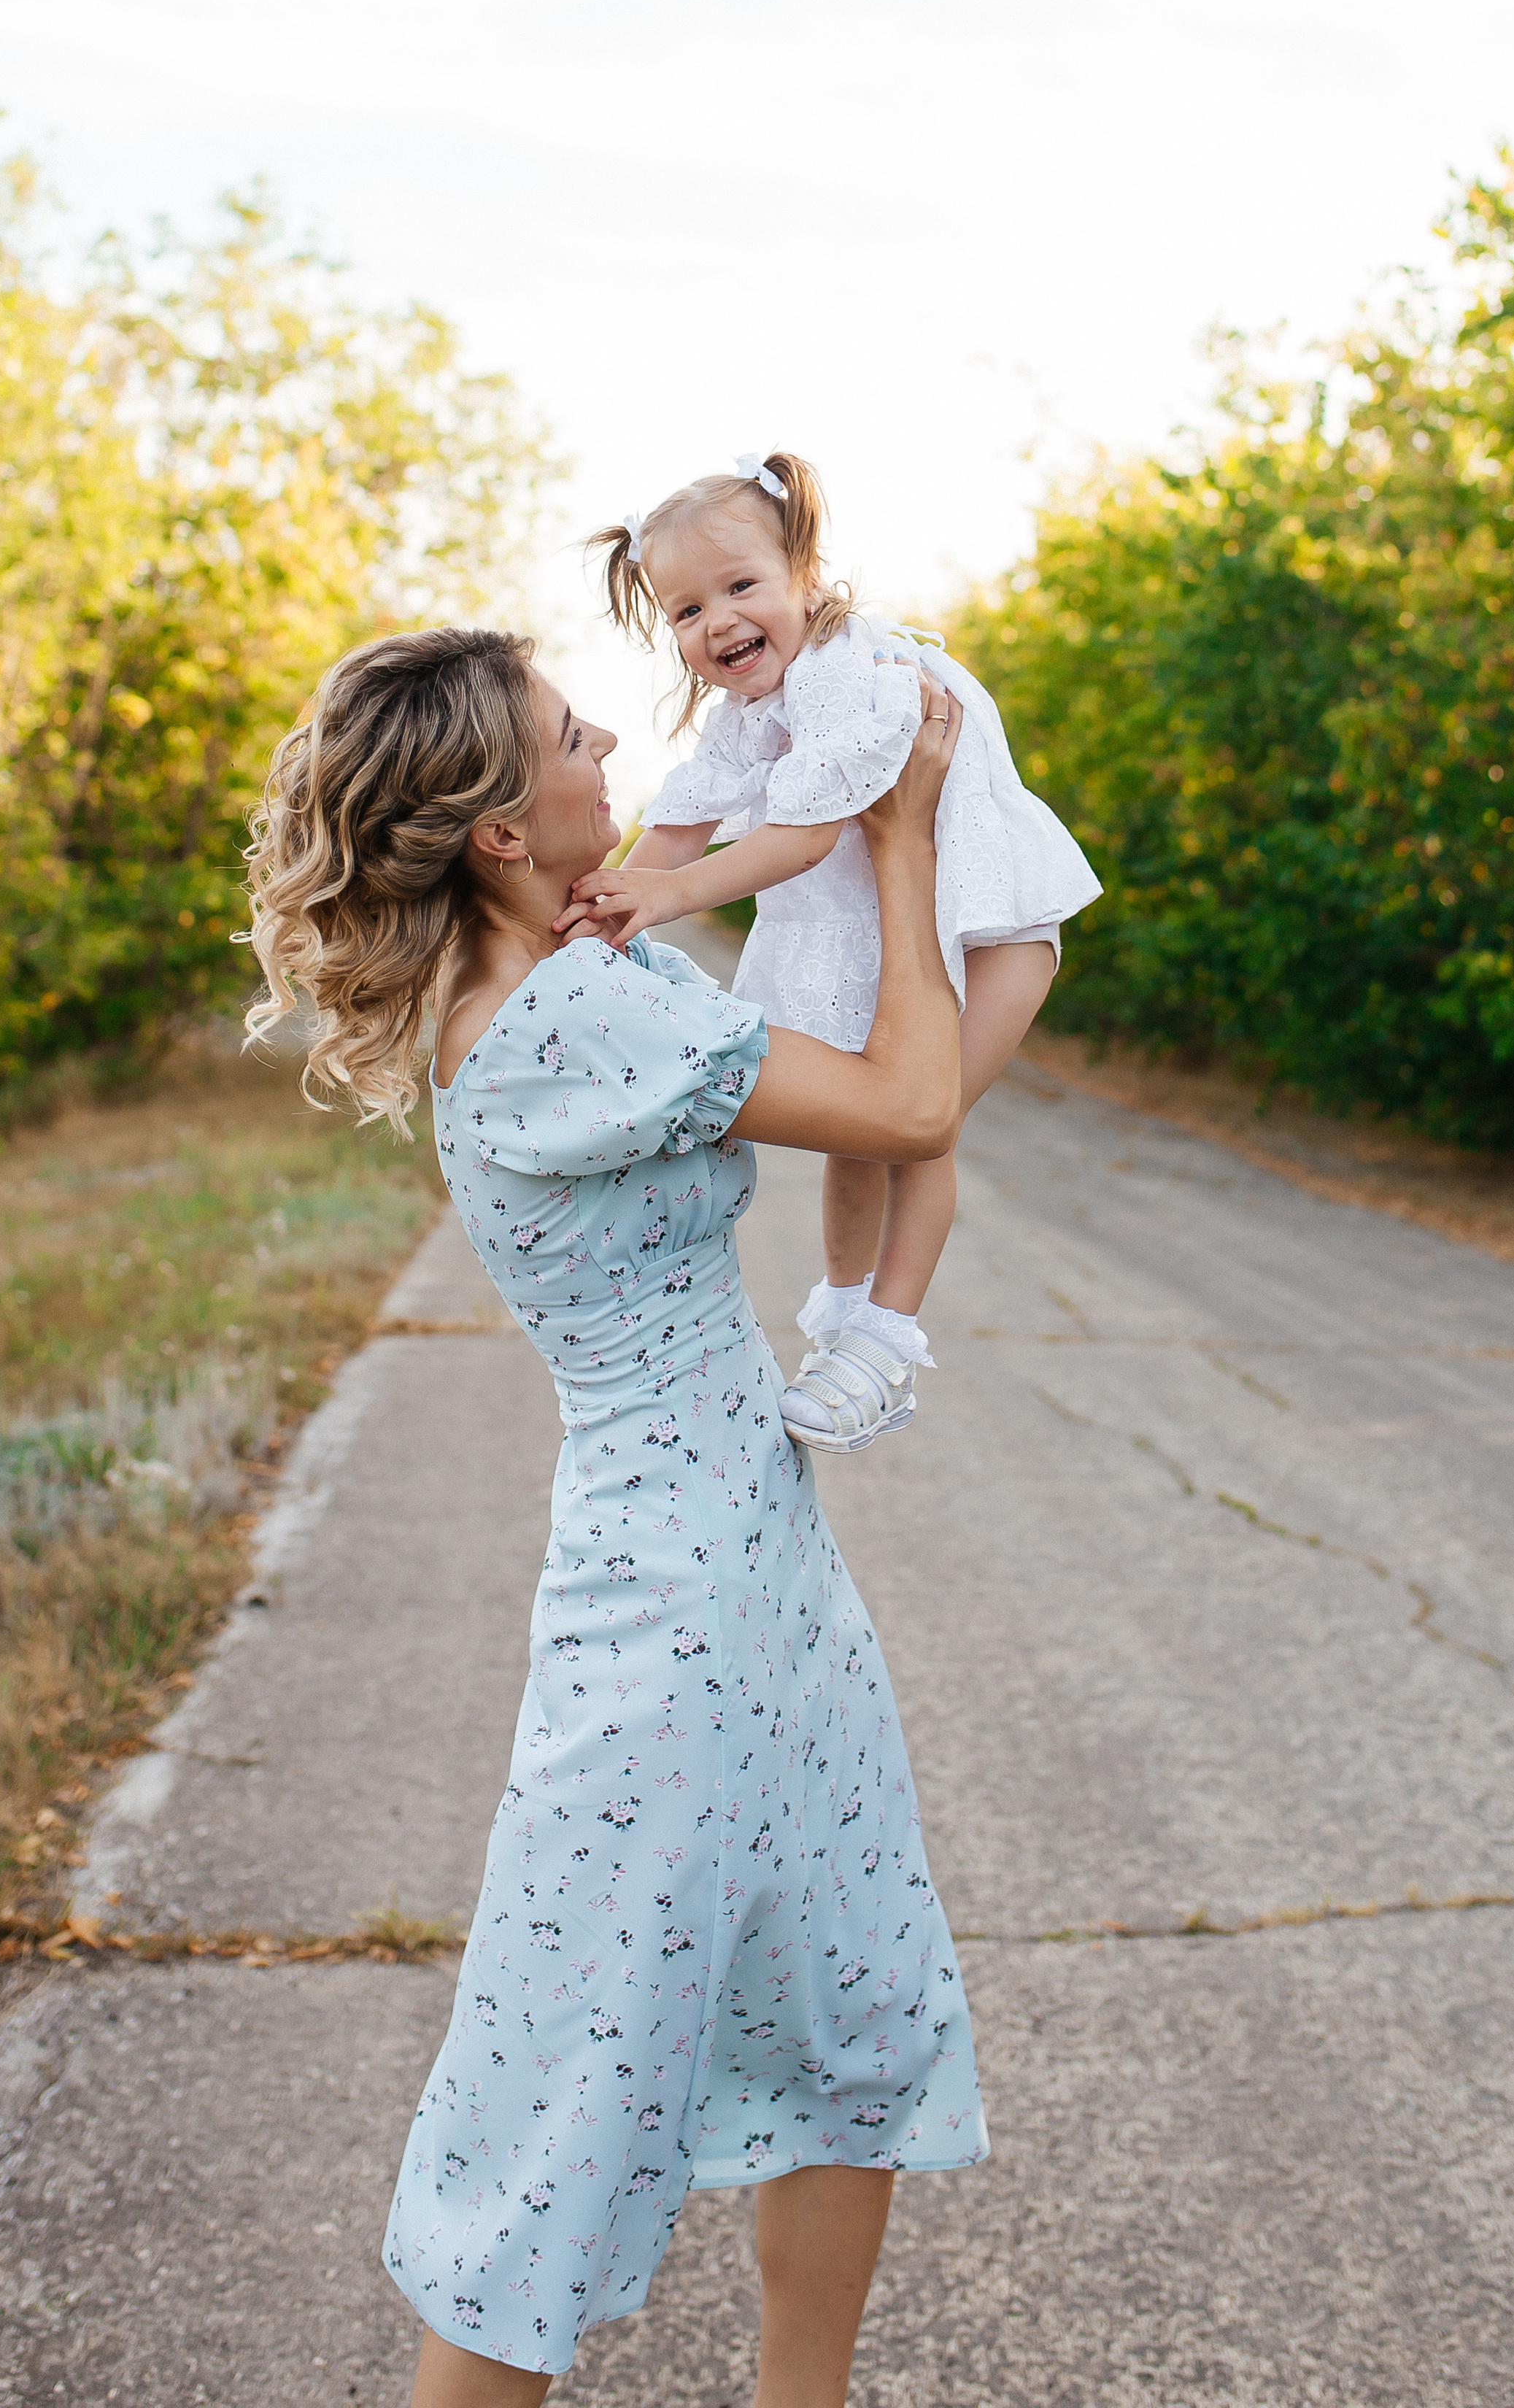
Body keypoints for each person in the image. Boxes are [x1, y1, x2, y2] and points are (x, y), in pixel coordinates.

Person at [243, 624, 986, 2408]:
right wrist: (898, 840)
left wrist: (674, 889)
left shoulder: (585, 977)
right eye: (578, 737)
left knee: (852, 2013)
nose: (611, 758)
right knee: (565, 2099)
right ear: (501, 828)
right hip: (670, 1621)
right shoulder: (567, 1020)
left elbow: (709, 906)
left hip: (756, 1564)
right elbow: (908, 1101)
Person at [571, 450, 1100, 1454]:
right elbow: (681, 825)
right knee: (856, 1125)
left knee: (918, 1125)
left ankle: (884, 1346)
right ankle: (845, 1312)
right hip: (892, 923)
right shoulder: (747, 715)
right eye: (685, 610)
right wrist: (608, 908)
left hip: (996, 923)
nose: (717, 621)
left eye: (740, 587)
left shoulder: (848, 668)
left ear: (805, 576)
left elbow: (808, 835)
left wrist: (670, 895)